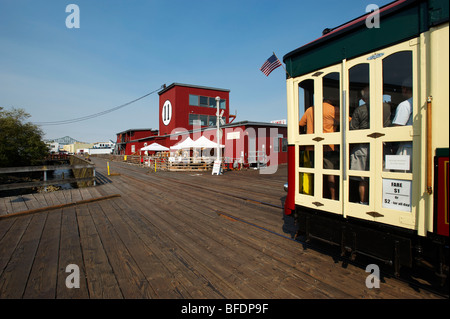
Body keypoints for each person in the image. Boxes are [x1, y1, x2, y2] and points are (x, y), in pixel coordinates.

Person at [299, 99, 340, 199]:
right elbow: (350, 122)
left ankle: (318, 196)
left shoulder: (310, 110)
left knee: (317, 172)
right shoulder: (334, 110)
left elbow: (300, 124)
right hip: (329, 146)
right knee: (331, 173)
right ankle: (333, 198)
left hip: (312, 147)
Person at [349, 86, 370, 205]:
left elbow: (352, 129)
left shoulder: (359, 110)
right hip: (383, 147)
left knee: (363, 178)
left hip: (362, 147)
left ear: (363, 98)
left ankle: (363, 201)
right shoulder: (386, 107)